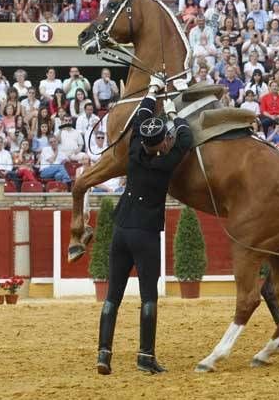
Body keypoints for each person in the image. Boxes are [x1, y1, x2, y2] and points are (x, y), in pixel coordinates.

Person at [96, 75, 193, 375]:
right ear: (163, 142)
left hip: (122, 228)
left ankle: (104, 354)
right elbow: (186, 137)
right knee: (148, 296)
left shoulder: (136, 152)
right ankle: (145, 356)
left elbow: (141, 118)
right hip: (147, 233)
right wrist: (175, 110)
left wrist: (153, 90)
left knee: (113, 295)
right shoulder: (165, 163)